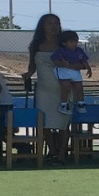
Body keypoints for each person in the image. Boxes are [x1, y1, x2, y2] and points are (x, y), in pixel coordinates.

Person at [21, 14, 72, 163]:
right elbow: (32, 66)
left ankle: (62, 155)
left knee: (63, 123)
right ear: (42, 26)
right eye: (50, 23)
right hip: (44, 90)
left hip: (64, 89)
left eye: (56, 23)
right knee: (44, 122)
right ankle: (52, 151)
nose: (53, 26)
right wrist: (28, 74)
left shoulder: (65, 44)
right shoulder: (35, 45)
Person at [50, 31, 92, 114]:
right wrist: (61, 64)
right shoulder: (61, 51)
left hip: (75, 71)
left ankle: (81, 104)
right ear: (64, 43)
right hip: (64, 71)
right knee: (66, 87)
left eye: (76, 41)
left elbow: (84, 61)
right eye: (71, 42)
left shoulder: (79, 50)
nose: (74, 44)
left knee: (79, 87)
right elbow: (54, 60)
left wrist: (88, 69)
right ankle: (63, 105)